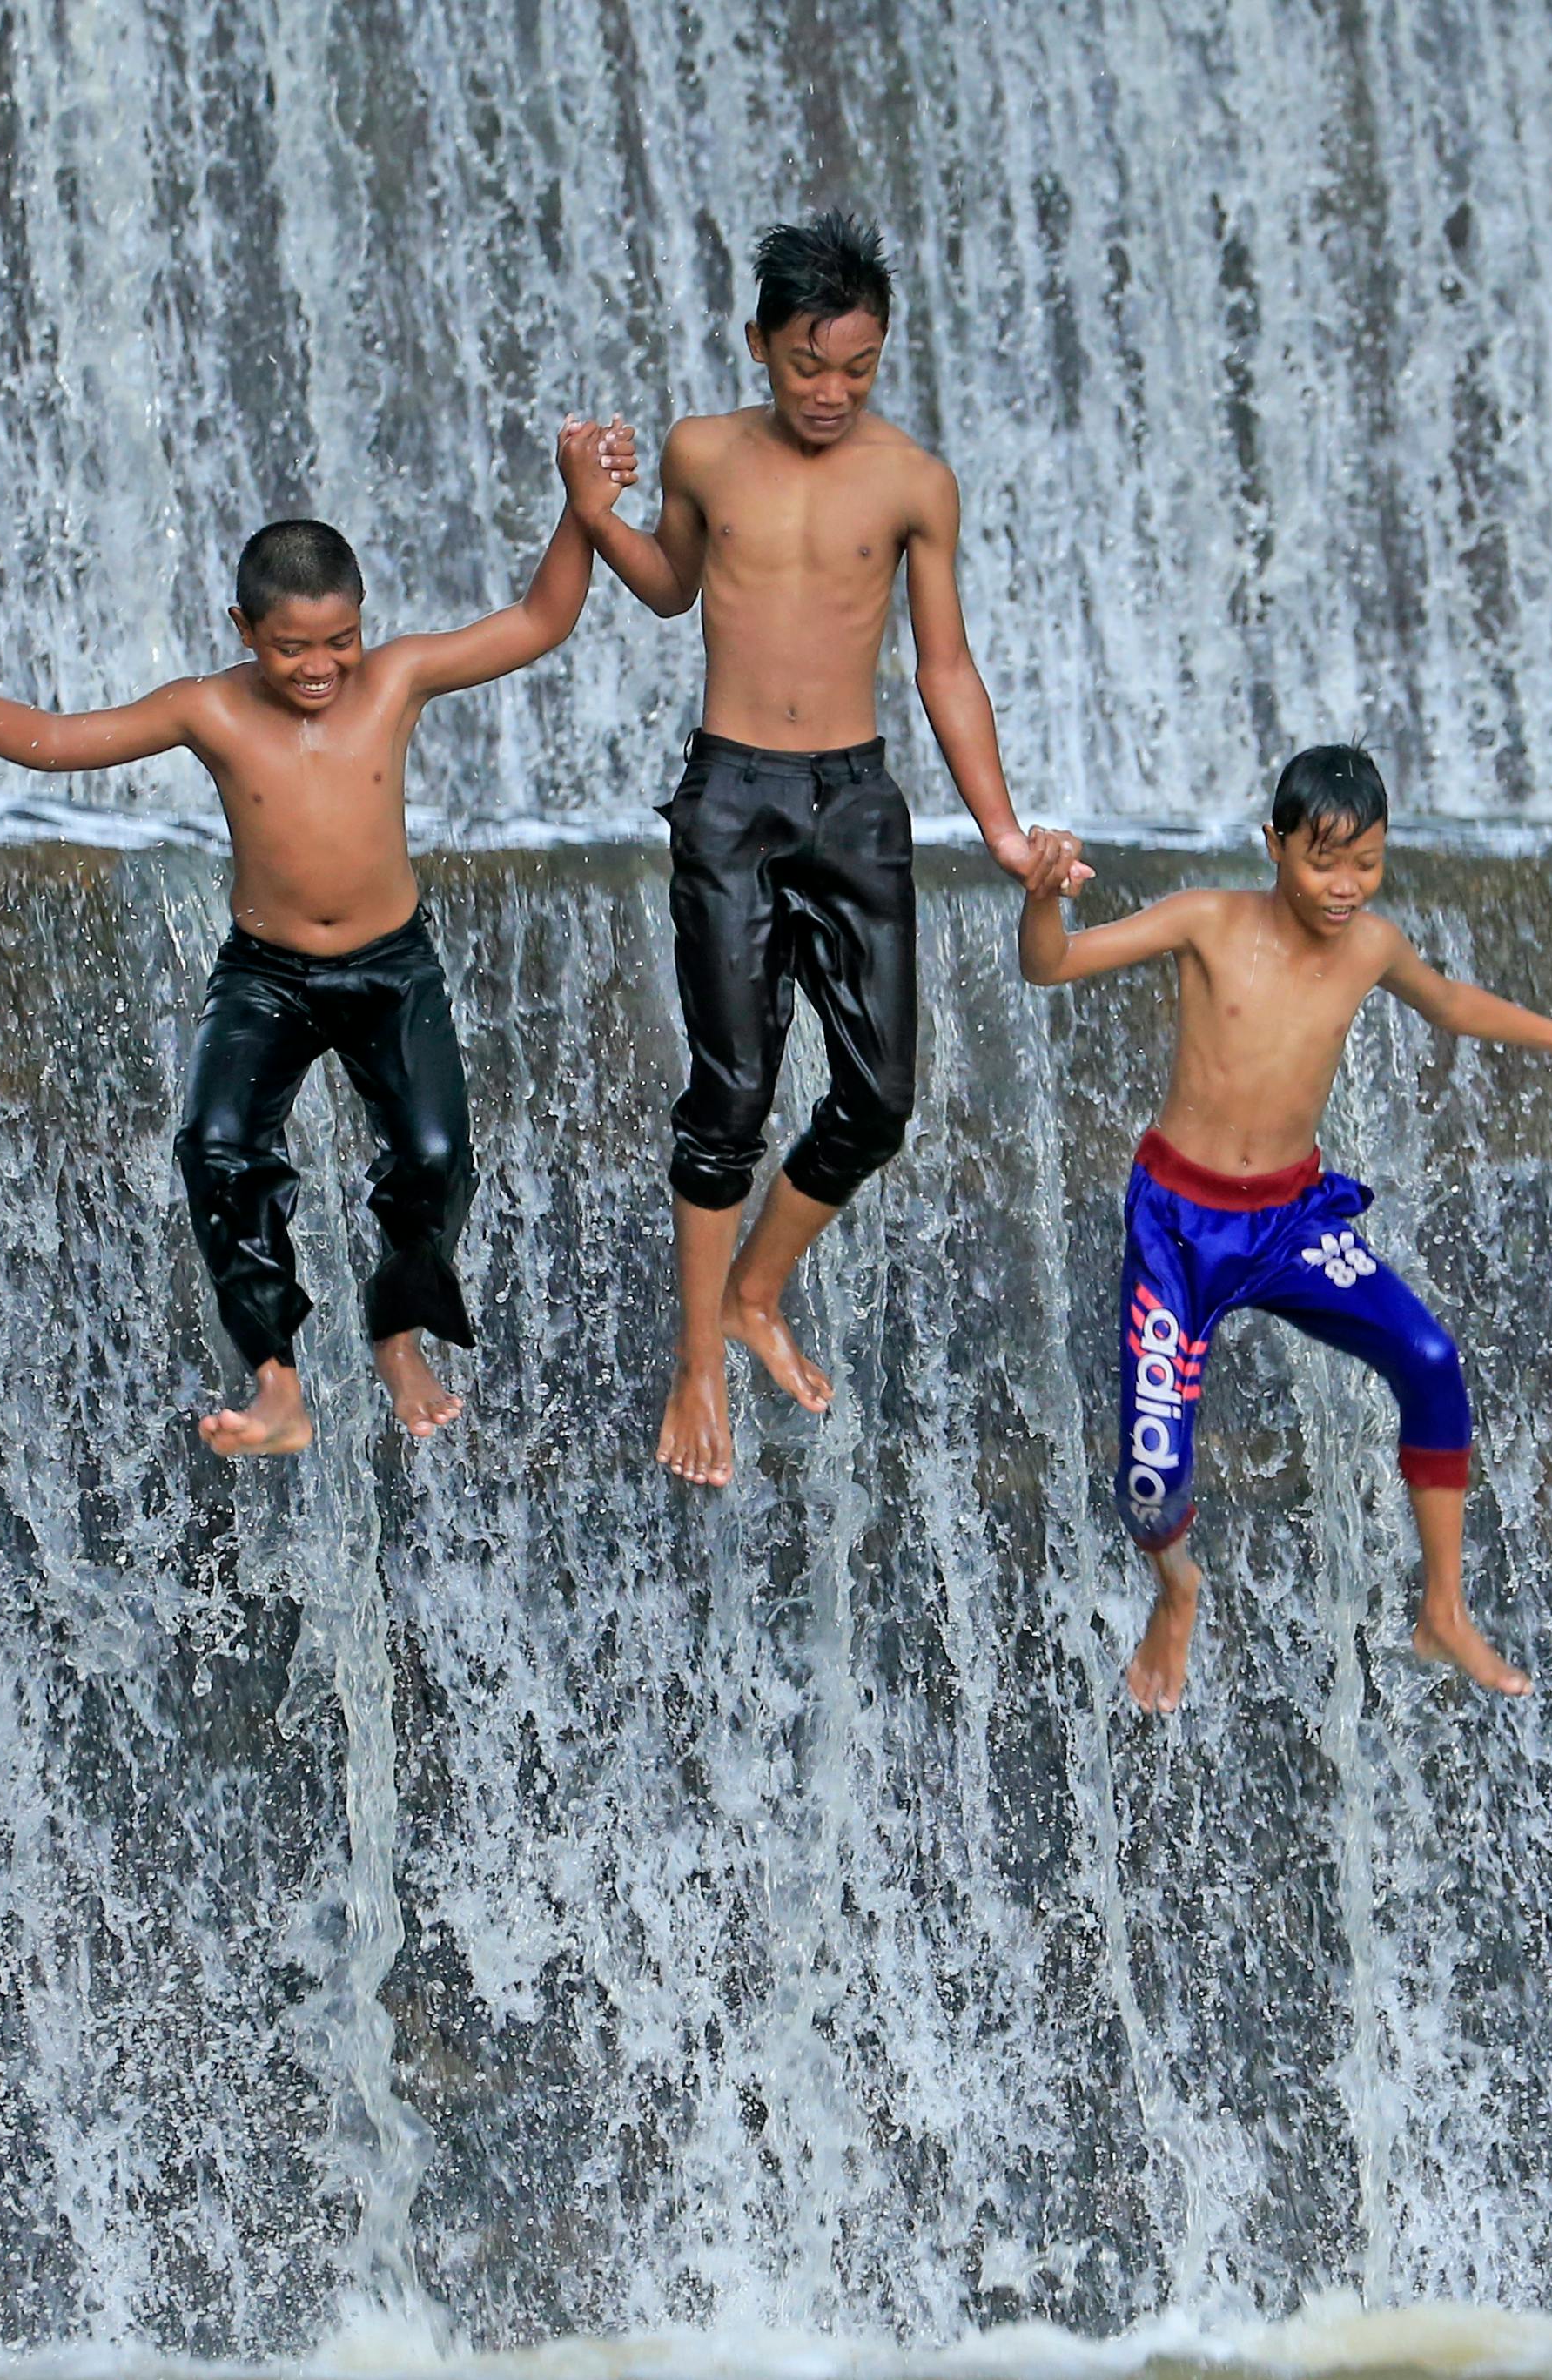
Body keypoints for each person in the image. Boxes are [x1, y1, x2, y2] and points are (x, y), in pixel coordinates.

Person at [0, 447, 596, 1451]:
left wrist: (580, 507)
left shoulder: (398, 680)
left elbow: (539, 620)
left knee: (434, 1155)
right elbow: (60, 739)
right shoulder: (208, 708)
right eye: (291, 647)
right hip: (268, 975)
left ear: (363, 620)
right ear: (243, 631)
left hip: (390, 967)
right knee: (215, 1147)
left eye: (340, 640)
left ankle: (396, 1327)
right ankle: (277, 1382)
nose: (319, 667)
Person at [560, 210, 1052, 1488]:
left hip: (854, 800)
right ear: (758, 346)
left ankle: (758, 1289)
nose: (830, 393)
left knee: (878, 1098)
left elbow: (945, 665)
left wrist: (999, 827)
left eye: (857, 367)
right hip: (730, 796)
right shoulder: (706, 453)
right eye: (805, 366)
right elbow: (670, 587)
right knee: (730, 1094)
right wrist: (592, 515)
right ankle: (699, 1355)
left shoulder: (913, 481)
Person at [1014, 746, 1552, 1711]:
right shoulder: (1205, 923)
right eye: (1323, 863)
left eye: (1368, 864)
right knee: (1149, 1482)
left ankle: (1444, 1609)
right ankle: (1177, 1588)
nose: (1346, 887)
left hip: (1292, 1221)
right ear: (1273, 846)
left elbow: (1452, 1005)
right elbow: (1050, 966)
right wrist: (1044, 895)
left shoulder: (1372, 946)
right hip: (1179, 1231)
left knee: (1430, 1357)